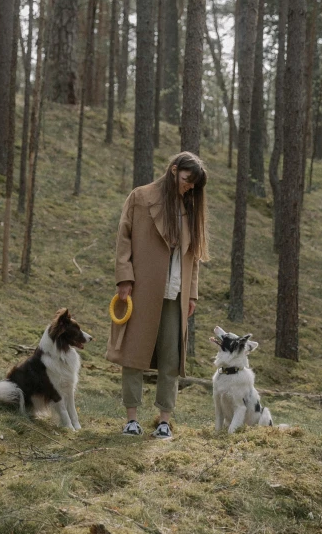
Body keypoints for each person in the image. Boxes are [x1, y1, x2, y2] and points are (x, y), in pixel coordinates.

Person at [106, 151, 209, 439]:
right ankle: (131, 419)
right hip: (141, 288)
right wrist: (124, 278)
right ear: (174, 170)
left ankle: (164, 420)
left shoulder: (189, 208)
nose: (189, 187)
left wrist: (191, 295)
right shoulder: (140, 197)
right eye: (187, 180)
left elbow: (193, 257)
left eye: (194, 185)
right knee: (133, 353)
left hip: (176, 292)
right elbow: (123, 238)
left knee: (170, 357)